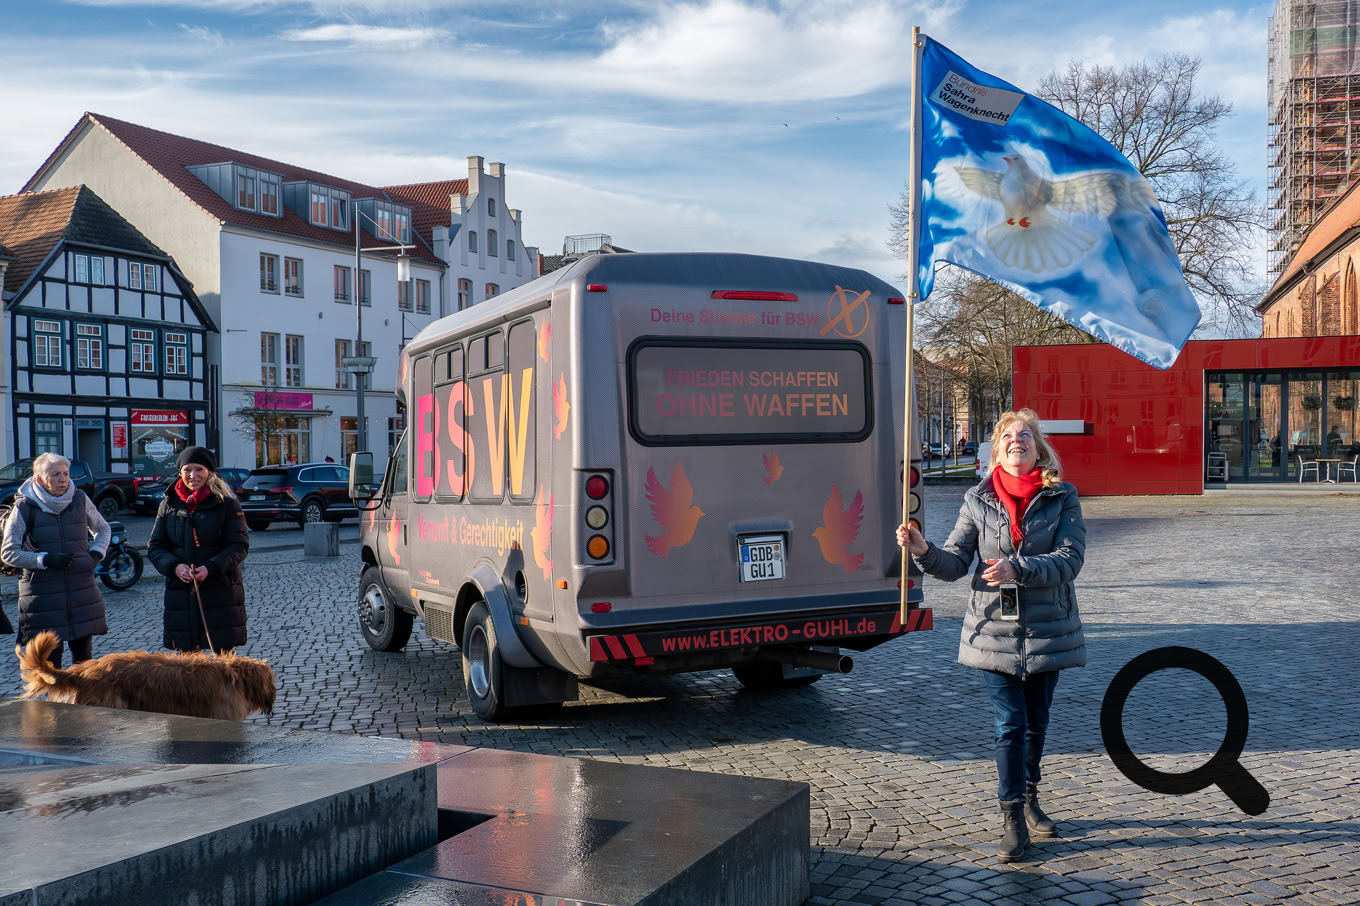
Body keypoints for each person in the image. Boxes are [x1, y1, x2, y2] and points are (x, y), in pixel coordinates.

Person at [898, 409, 1086, 863]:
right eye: (1008, 436)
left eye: (1025, 435)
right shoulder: (977, 500)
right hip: (993, 630)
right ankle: (1012, 817)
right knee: (1010, 724)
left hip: (1047, 628)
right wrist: (923, 550)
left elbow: (1070, 559)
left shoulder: (1062, 496)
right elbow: (955, 563)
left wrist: (1017, 569)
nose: (1016, 440)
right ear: (997, 450)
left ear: (1039, 449)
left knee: (1037, 722)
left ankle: (1031, 795)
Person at [1, 453, 111, 667]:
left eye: (66, 474)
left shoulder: (79, 498)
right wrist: (45, 559)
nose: (63, 479)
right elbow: (9, 553)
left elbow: (103, 529)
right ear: (40, 478)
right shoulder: (24, 506)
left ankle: (80, 692)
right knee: (50, 667)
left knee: (84, 665)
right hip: (43, 598)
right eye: (55, 475)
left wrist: (96, 555)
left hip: (81, 593)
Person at [147, 446, 250, 653]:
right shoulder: (169, 503)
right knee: (187, 664)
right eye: (187, 470)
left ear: (209, 472)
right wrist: (175, 567)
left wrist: (210, 568)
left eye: (199, 469)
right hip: (181, 595)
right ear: (180, 472)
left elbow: (239, 545)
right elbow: (156, 546)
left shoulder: (226, 502)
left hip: (220, 592)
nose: (193, 476)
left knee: (223, 662)